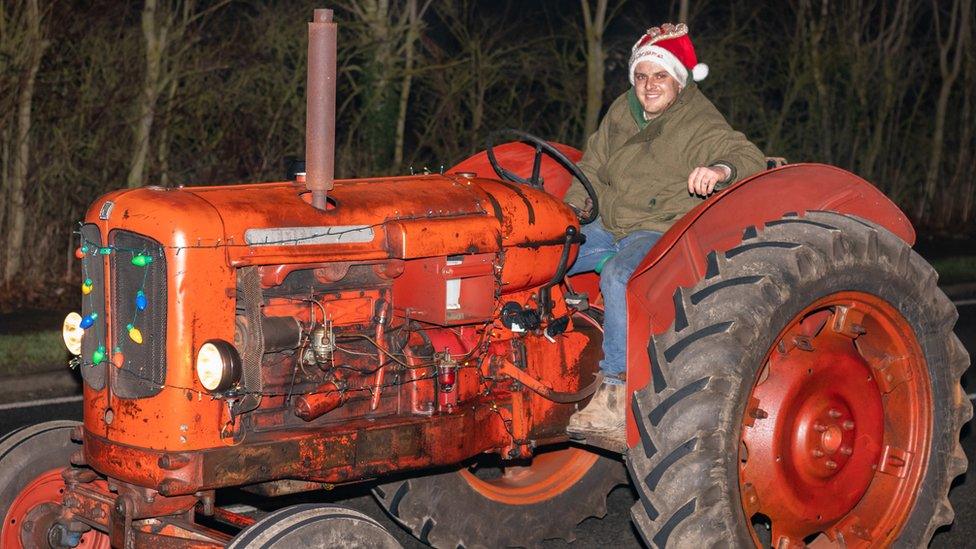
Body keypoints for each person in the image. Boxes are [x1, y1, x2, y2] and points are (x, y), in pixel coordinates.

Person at [564, 23, 765, 446]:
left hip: (658, 227)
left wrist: (719, 170)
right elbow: (593, 167)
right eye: (641, 76)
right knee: (547, 255)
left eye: (659, 77)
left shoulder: (696, 119)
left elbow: (746, 155)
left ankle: (616, 391)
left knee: (620, 275)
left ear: (678, 79)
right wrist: (570, 211)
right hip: (609, 221)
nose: (649, 86)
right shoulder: (621, 111)